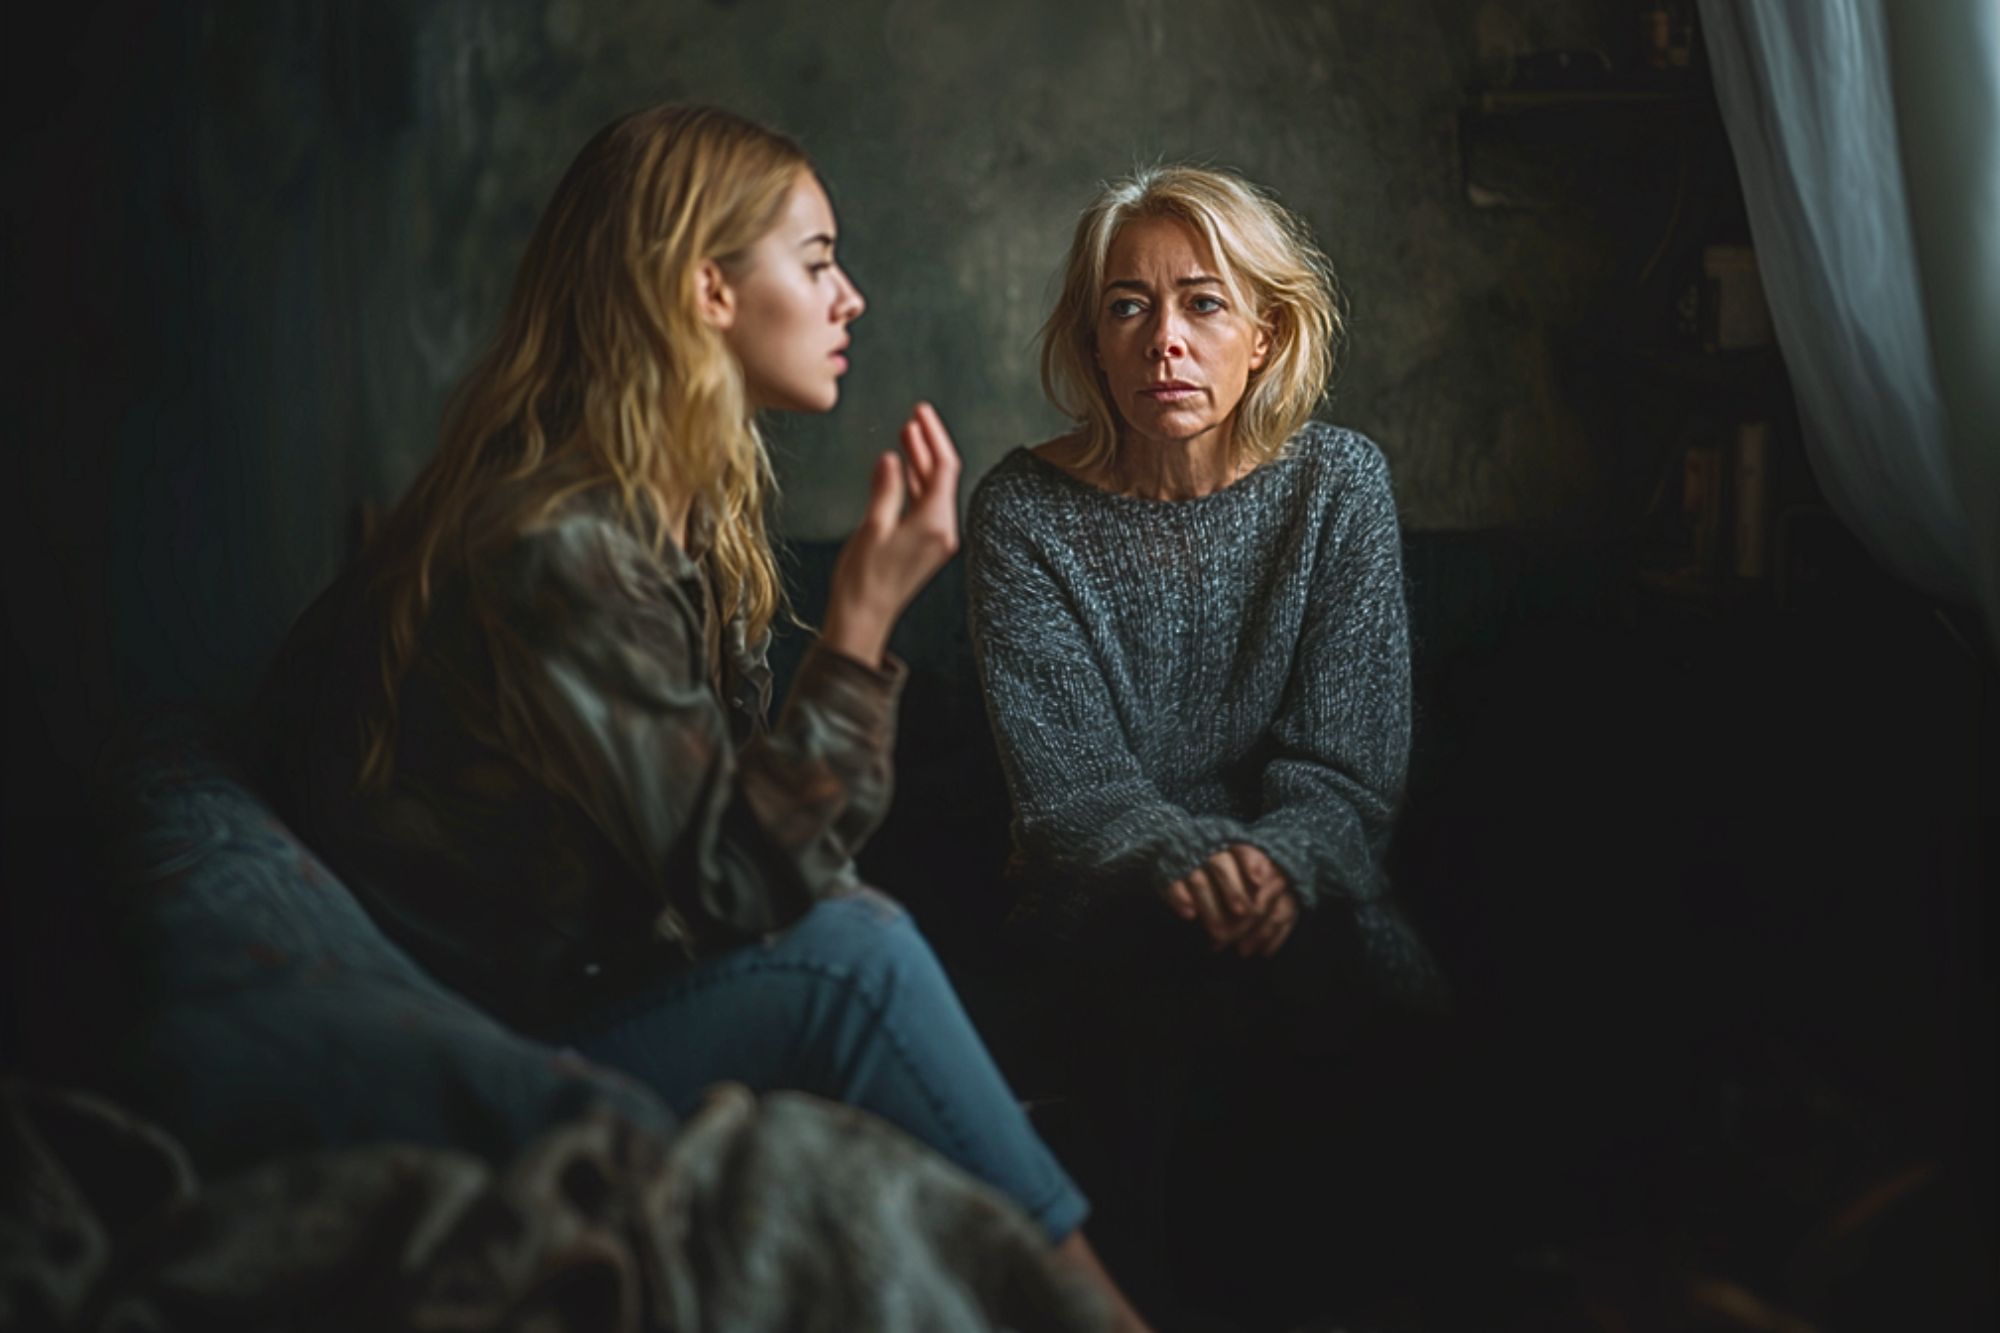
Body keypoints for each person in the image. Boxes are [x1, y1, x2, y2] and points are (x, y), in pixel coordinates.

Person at [255, 103, 1146, 1330]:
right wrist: (859, 626)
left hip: (581, 995)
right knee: (859, 955)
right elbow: (735, 881)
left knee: (875, 938)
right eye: (819, 261)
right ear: (707, 292)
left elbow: (735, 862)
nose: (852, 300)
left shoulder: (658, 516)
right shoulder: (557, 543)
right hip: (495, 1055)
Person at [963, 164, 1447, 1318]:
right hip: (1103, 908)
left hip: (1312, 891)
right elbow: (1070, 792)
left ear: (1266, 333)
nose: (1163, 341)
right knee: (1153, 1049)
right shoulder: (1022, 512)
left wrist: (1277, 864)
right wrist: (1191, 867)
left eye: (1202, 302)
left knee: (1376, 1038)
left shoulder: (1338, 486)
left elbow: (1345, 768)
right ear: (1090, 337)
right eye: (1127, 306)